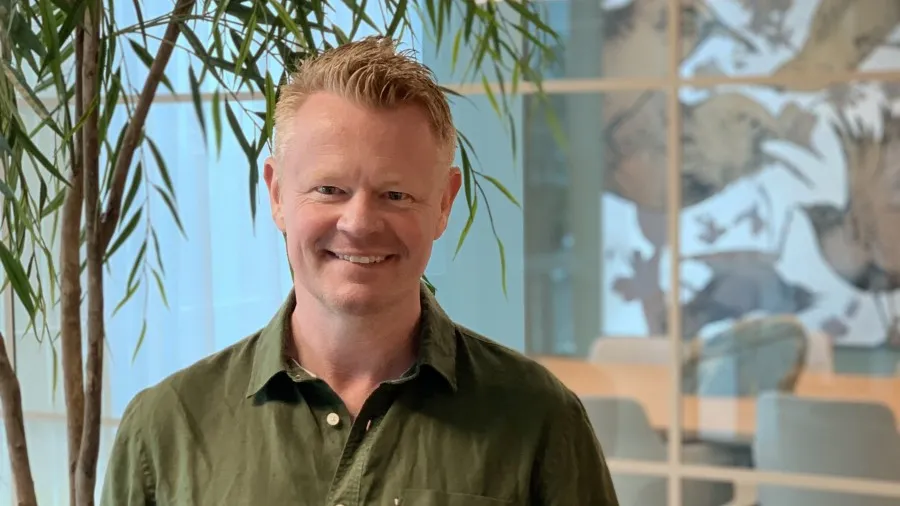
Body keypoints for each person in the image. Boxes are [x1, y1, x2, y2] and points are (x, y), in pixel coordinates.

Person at [101, 36, 619, 505]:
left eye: (395, 194)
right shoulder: (165, 430)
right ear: (277, 193)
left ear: (444, 203)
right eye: (330, 190)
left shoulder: (540, 420)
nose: (359, 223)